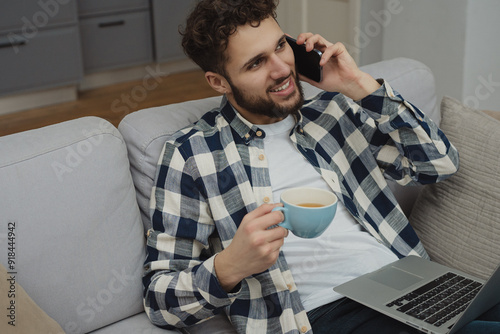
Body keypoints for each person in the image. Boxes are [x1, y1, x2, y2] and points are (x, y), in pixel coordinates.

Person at [142, 0, 499, 333]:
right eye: (256, 63)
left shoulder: (333, 112)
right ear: (219, 82)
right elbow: (160, 301)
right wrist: (228, 266)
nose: (282, 69)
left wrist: (359, 86)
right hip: (327, 313)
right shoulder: (192, 155)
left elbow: (439, 164)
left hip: (415, 283)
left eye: (280, 46)